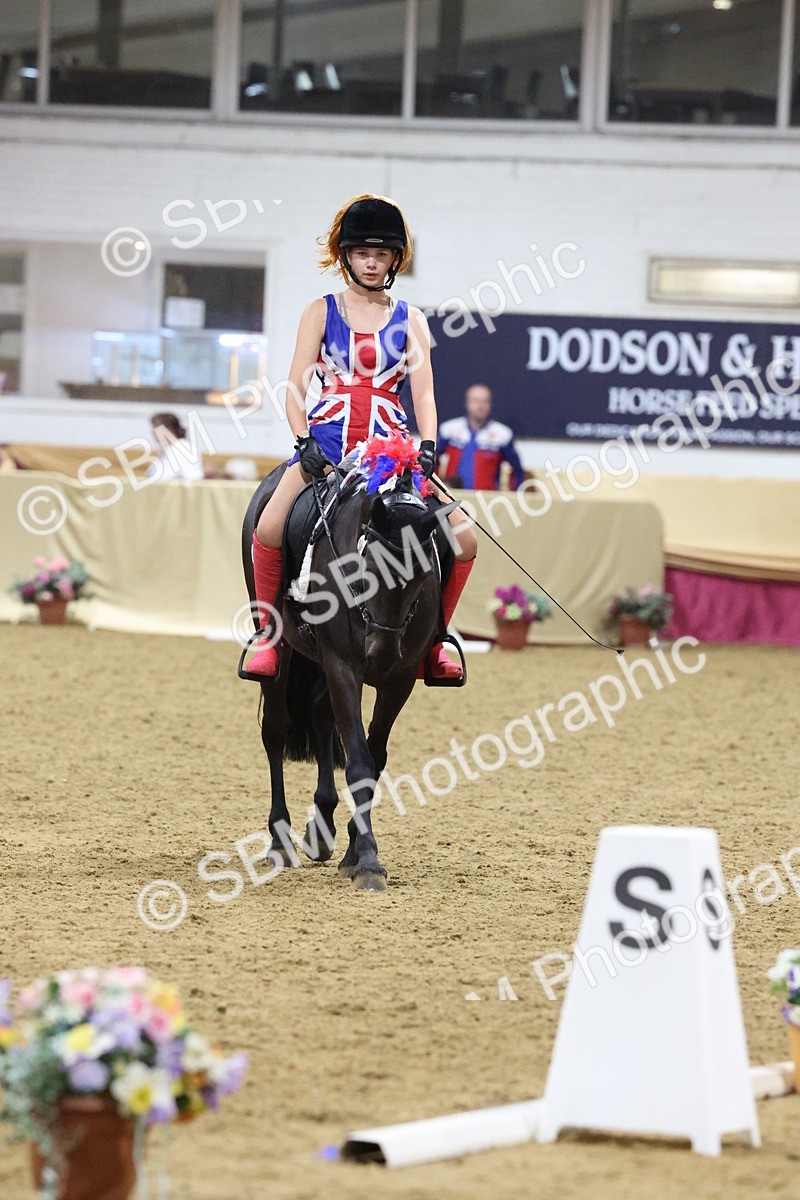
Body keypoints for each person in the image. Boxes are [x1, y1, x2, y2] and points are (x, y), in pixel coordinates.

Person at [245, 192, 477, 679]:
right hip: (327, 439)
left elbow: (426, 395)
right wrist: (302, 440)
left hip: (388, 450)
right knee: (268, 527)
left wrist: (428, 446)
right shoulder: (320, 311)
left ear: (395, 260)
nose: (371, 263)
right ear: (345, 256)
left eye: (381, 255)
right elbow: (294, 387)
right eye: (362, 254)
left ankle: (436, 641)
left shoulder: (412, 318)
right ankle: (267, 635)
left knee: (465, 538)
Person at [437, 384, 523, 490]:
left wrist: (512, 495)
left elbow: (517, 469)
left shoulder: (502, 434)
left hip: (486, 498)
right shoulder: (449, 429)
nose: (480, 406)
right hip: (453, 494)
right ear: (467, 403)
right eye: (476, 401)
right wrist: (437, 488)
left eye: (485, 401)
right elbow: (433, 459)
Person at [147, 413, 205, 481]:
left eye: (156, 428)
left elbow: (193, 477)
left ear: (169, 429)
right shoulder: (165, 450)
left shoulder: (183, 448)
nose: (153, 432)